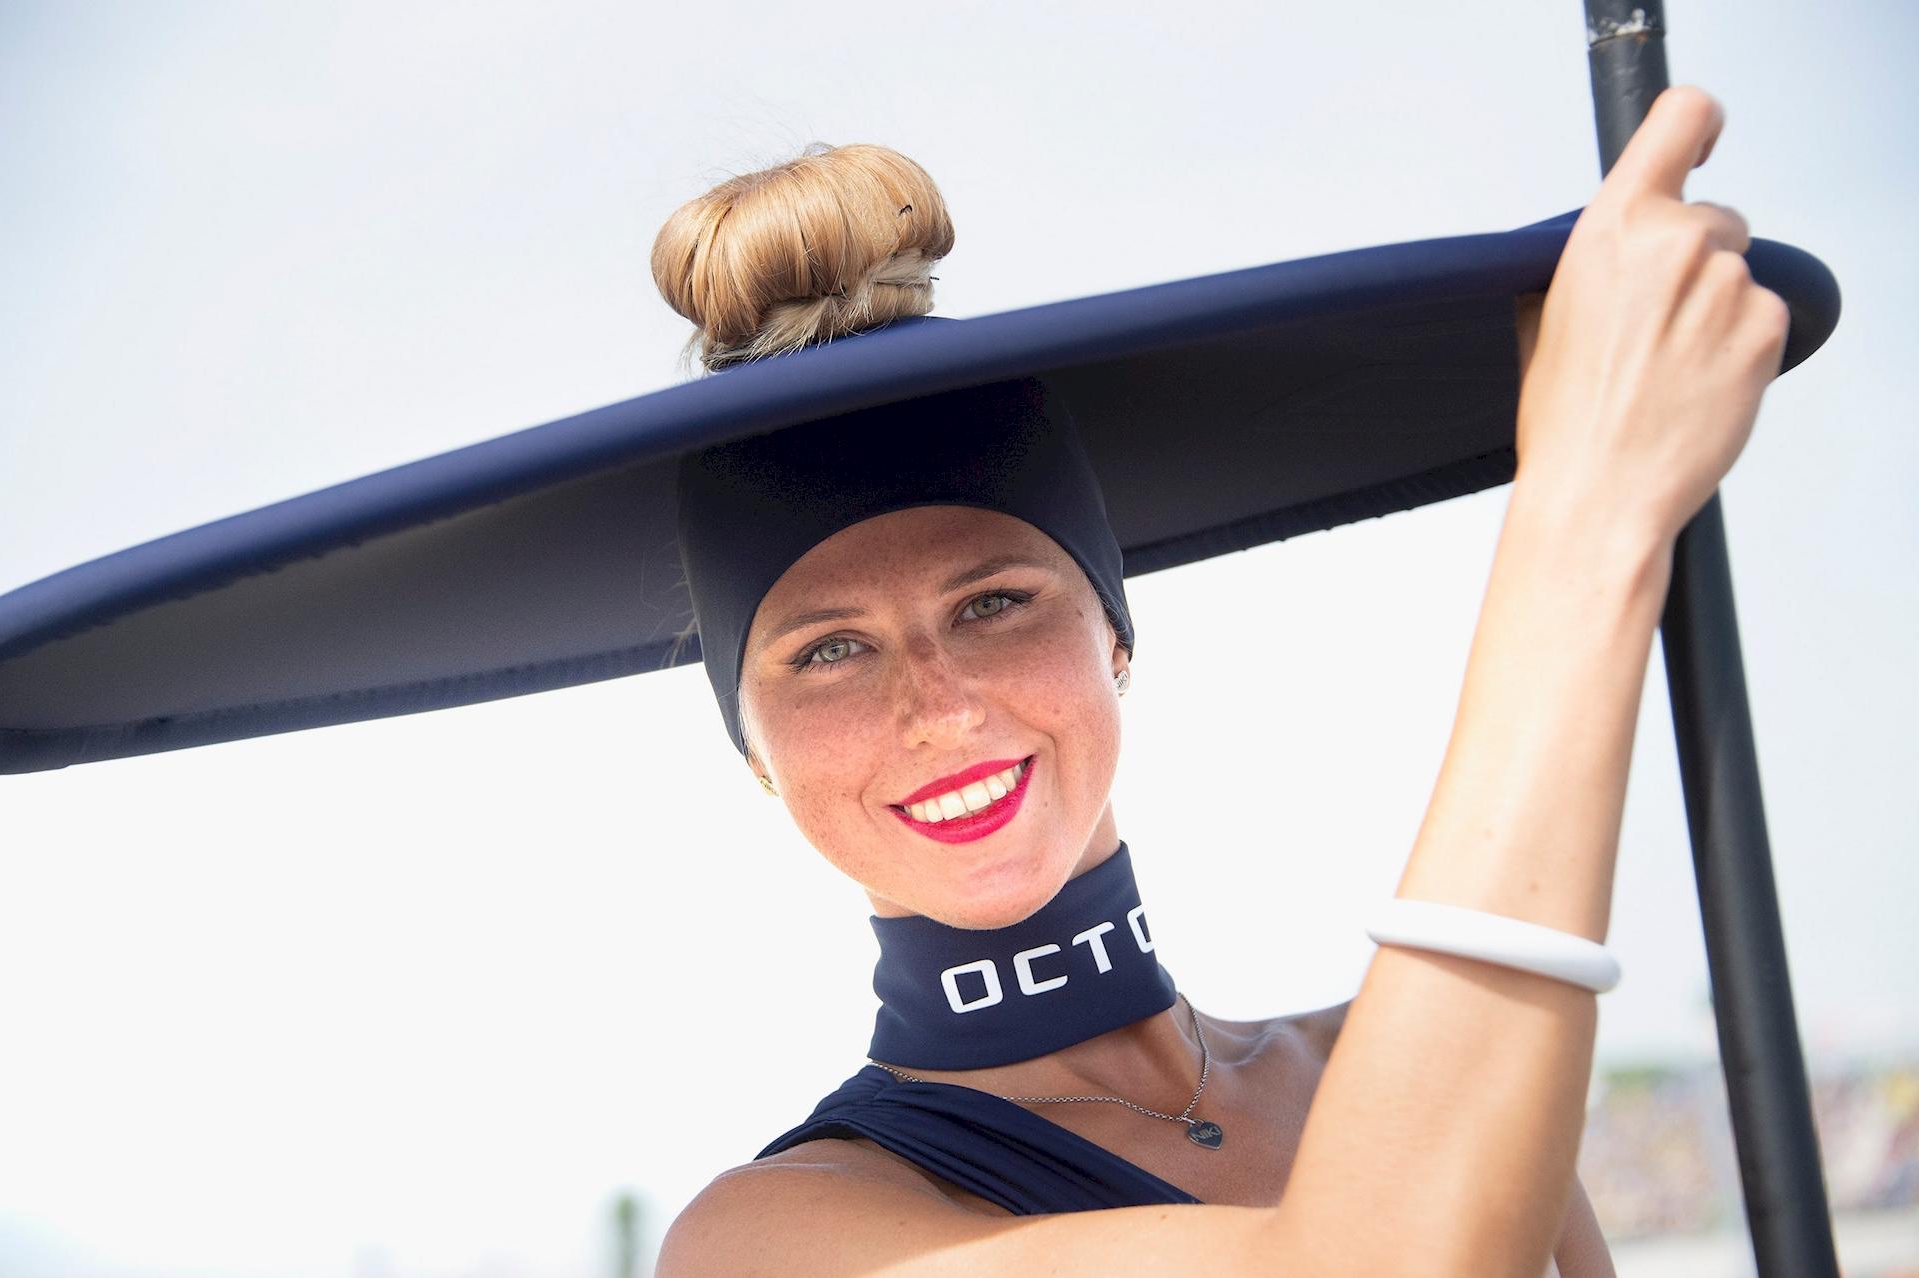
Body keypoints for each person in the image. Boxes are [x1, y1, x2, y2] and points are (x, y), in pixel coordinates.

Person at [648, 84, 1787, 1276]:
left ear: (1114, 635)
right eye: (829, 651)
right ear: (754, 751)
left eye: (991, 604)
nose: (939, 708)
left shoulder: (1401, 1066)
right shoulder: (771, 1240)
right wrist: (1595, 507)